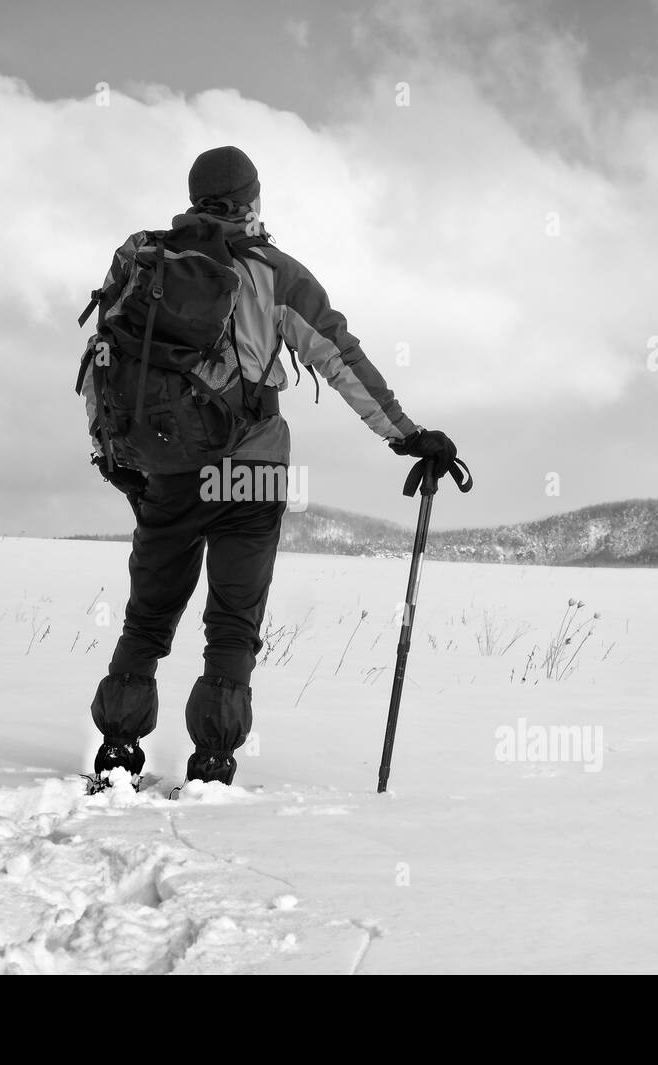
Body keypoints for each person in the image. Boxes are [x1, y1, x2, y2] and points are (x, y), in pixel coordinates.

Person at [83, 145, 461, 787]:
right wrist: (408, 437)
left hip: (170, 468)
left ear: (194, 195)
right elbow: (342, 361)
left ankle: (118, 748)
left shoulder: (143, 262)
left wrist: (116, 455)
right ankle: (212, 760)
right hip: (252, 473)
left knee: (148, 615)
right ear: (255, 200)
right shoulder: (278, 274)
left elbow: (104, 363)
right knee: (232, 621)